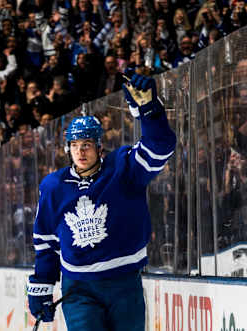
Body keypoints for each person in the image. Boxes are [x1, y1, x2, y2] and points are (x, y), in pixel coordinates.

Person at [26, 72, 176, 330]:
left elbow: (160, 147)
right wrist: (42, 285)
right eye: (75, 145)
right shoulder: (53, 187)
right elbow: (46, 242)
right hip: (79, 290)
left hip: (124, 283)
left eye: (87, 145)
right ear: (67, 149)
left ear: (99, 147)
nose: (81, 151)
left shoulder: (123, 168)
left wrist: (149, 110)